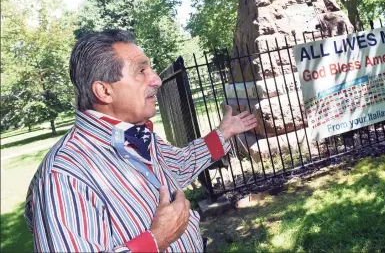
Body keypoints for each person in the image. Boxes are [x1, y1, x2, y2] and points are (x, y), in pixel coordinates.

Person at [24, 29, 257, 252]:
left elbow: (178, 167)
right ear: (104, 91)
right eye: (141, 71)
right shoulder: (64, 176)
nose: (156, 80)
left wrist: (223, 134)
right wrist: (156, 241)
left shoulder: (137, 136)